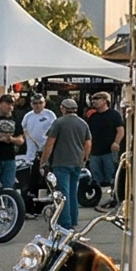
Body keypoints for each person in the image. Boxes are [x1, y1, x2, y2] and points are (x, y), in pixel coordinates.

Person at [42, 93, 92, 227]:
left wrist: (43, 161)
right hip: (77, 162)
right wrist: (84, 158)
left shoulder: (59, 122)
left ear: (62, 108)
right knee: (72, 193)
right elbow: (88, 143)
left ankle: (65, 223)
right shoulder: (83, 123)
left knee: (63, 194)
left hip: (61, 162)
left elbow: (50, 143)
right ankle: (73, 219)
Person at [84, 90, 125, 203]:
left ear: (105, 101)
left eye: (97, 99)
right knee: (96, 177)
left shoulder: (114, 115)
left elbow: (120, 130)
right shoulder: (93, 117)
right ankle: (97, 198)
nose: (94, 101)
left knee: (110, 175)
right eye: (93, 99)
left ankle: (113, 197)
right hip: (95, 151)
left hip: (109, 151)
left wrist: (116, 142)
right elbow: (88, 134)